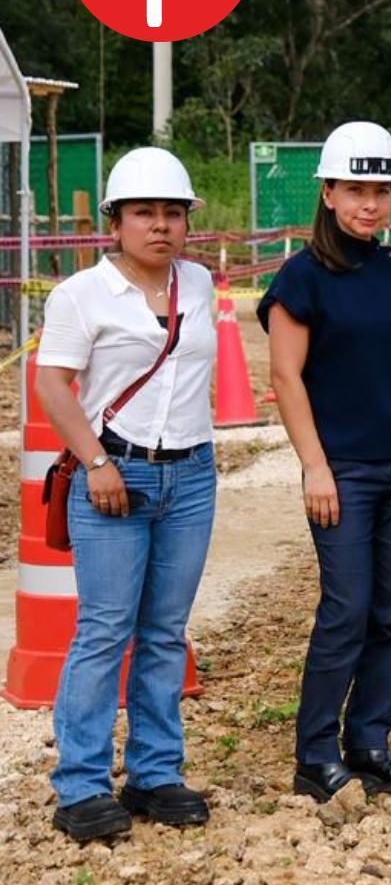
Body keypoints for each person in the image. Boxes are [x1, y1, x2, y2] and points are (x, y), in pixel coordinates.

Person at [35, 149, 216, 841]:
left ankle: (155, 772)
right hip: (115, 477)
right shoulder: (81, 294)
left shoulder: (198, 283)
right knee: (105, 630)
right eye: (145, 213)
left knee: (166, 633)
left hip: (192, 475)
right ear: (115, 221)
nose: (161, 226)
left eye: (173, 213)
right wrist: (97, 462)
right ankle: (80, 785)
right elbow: (54, 384)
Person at [262, 121, 391, 803]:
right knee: (347, 607)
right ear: (329, 193)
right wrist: (314, 466)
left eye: (381, 190)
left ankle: (368, 741)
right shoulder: (302, 277)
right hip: (344, 475)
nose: (370, 203)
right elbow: (286, 377)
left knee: (388, 612)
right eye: (356, 189)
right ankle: (315, 753)